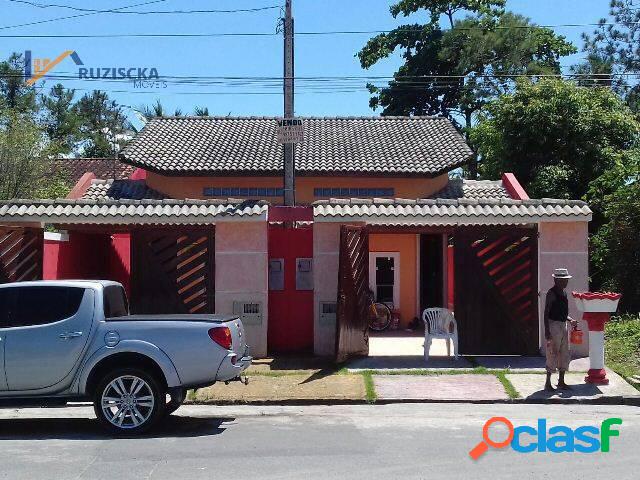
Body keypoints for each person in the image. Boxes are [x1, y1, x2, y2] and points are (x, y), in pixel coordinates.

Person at [543, 268, 578, 391]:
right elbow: (546, 313)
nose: (566, 282)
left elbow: (563, 313)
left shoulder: (564, 293)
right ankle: (548, 383)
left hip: (563, 325)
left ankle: (561, 381)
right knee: (552, 352)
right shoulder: (551, 293)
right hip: (553, 326)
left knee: (564, 353)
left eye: (566, 280)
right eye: (563, 280)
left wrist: (570, 320)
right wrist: (547, 330)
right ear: (556, 280)